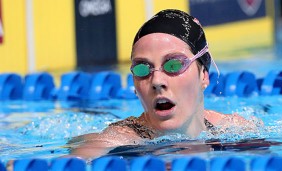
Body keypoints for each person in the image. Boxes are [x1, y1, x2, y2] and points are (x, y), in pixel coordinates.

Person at [69, 9, 259, 160]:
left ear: (204, 76)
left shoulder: (234, 129)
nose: (157, 81)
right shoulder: (120, 141)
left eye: (174, 65)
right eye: (143, 69)